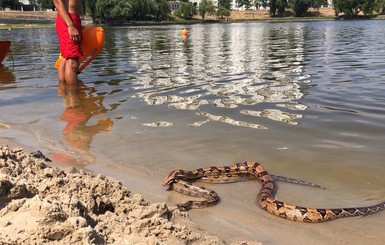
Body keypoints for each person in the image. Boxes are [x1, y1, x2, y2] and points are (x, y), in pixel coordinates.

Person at [53, 0, 82, 84]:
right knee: (72, 63)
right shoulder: (70, 23)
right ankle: (73, 95)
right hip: (69, 19)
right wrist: (71, 25)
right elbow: (58, 2)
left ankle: (65, 91)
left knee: (65, 57)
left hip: (68, 18)